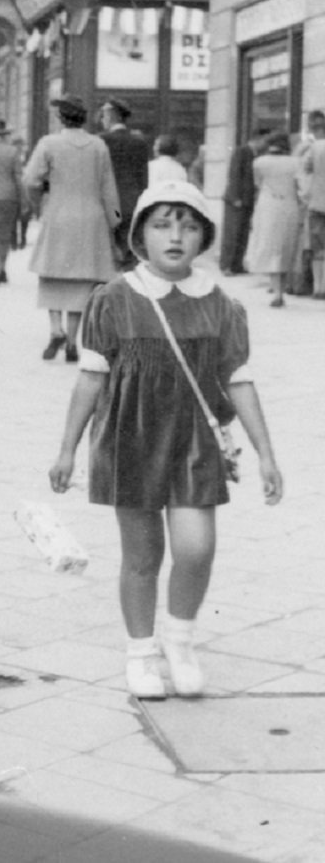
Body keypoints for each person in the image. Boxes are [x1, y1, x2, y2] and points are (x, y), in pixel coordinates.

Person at [50, 180, 283, 700]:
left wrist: (267, 454)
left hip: (194, 442)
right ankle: (140, 654)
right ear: (140, 234)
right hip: (129, 437)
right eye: (162, 224)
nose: (175, 236)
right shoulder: (112, 299)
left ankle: (180, 641)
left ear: (203, 236)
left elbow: (238, 379)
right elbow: (90, 377)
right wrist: (66, 448)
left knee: (196, 548)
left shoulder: (220, 305)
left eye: (188, 225)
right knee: (142, 554)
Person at [23, 95, 120, 363]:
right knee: (82, 282)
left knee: (53, 275)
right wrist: (115, 221)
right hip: (92, 220)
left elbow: (30, 179)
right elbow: (109, 189)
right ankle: (71, 341)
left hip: (58, 215)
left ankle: (55, 329)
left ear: (60, 118)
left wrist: (38, 202)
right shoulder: (98, 145)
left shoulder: (49, 143)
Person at [245, 132, 301, 307]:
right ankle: (280, 289)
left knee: (270, 247)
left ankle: (276, 290)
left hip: (268, 205)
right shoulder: (295, 162)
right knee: (286, 247)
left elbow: (257, 184)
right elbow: (299, 186)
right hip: (289, 205)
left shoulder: (259, 162)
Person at [99, 97, 149, 269]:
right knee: (130, 252)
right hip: (132, 202)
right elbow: (143, 177)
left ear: (112, 116)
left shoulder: (102, 141)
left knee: (107, 252)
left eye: (104, 115)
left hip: (108, 204)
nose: (102, 120)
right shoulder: (139, 142)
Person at [219, 128, 267, 276]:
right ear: (257, 138)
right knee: (232, 233)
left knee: (243, 234)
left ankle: (237, 264)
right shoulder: (242, 151)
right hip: (236, 200)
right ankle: (226, 265)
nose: (266, 144)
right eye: (265, 140)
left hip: (248, 200)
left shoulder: (256, 154)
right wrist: (235, 198)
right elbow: (234, 174)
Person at [0, 119, 22, 283]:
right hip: (9, 197)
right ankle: (2, 267)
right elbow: (18, 178)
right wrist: (24, 199)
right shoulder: (12, 151)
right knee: (5, 235)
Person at [302, 111, 325, 298]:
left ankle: (319, 287)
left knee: (317, 247)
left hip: (317, 203)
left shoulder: (314, 148)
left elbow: (305, 169)